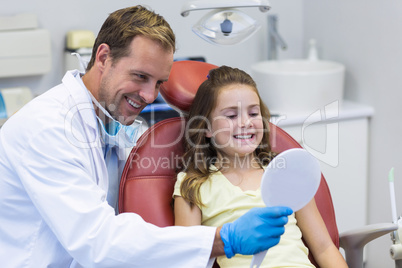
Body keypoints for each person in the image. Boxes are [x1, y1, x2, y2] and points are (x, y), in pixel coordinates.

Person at [0, 6, 293, 268]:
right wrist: (223, 241)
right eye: (140, 76)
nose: (150, 96)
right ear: (103, 57)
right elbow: (98, 242)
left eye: (158, 83)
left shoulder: (119, 125)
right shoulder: (47, 128)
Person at [173, 66, 348, 267]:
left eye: (254, 113)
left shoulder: (286, 172)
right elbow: (186, 257)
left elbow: (324, 247)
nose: (246, 122)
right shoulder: (193, 185)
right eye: (231, 116)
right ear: (206, 128)